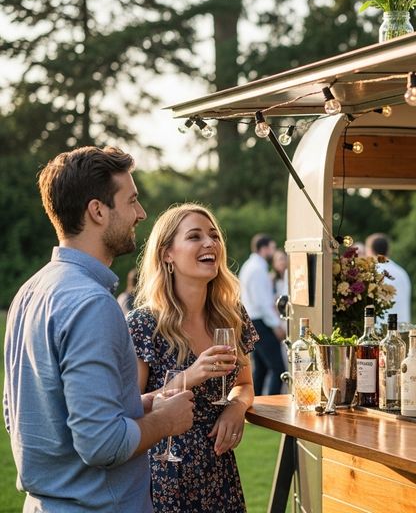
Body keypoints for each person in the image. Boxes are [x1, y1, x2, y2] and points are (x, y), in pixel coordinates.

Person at [3, 146, 195, 512]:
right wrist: (164, 421)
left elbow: (25, 415)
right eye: (132, 201)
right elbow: (101, 444)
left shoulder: (29, 292)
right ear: (98, 211)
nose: (140, 214)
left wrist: (139, 405)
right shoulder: (92, 304)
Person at [127, 203, 258, 512]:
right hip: (164, 472)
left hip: (218, 468)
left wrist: (236, 408)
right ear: (167, 254)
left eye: (214, 235)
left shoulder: (231, 316)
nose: (210, 243)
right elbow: (129, 407)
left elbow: (245, 384)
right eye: (195, 236)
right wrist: (191, 374)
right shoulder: (144, 323)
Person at [238, 234, 286, 395]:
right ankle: (273, 408)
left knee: (261, 369)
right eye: (272, 247)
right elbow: (262, 303)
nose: (273, 251)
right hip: (260, 323)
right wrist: (275, 325)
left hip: (252, 321)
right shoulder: (258, 269)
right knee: (278, 369)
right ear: (263, 248)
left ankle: (255, 403)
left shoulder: (248, 266)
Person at [366, 233, 412, 324]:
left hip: (380, 331)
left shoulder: (371, 273)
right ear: (388, 250)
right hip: (403, 328)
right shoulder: (402, 272)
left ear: (370, 250)